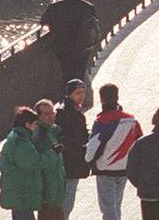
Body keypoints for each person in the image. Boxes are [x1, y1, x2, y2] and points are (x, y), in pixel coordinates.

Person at [86, 83, 142, 220]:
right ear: (117, 97)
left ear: (102, 99)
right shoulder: (131, 119)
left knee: (108, 208)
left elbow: (92, 148)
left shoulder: (101, 120)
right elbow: (140, 142)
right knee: (116, 205)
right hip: (125, 169)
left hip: (105, 169)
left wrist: (88, 161)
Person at [40, 0, 99, 97]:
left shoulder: (55, 7)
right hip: (82, 49)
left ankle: (66, 99)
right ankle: (78, 99)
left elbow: (43, 21)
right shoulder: (88, 8)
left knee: (66, 74)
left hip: (61, 48)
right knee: (79, 73)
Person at [0, 107, 44, 220]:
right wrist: (48, 156)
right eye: (34, 124)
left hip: (18, 191)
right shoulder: (21, 141)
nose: (35, 127)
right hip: (22, 192)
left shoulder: (16, 137)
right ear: (27, 124)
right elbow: (32, 163)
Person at [58, 79, 89, 218]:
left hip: (73, 162)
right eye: (78, 93)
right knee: (66, 202)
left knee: (67, 202)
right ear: (69, 94)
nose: (81, 95)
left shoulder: (76, 112)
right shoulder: (65, 113)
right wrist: (81, 147)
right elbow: (63, 138)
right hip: (68, 163)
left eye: (83, 92)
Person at [34, 98, 66, 219]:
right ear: (38, 116)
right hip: (47, 192)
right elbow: (36, 160)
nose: (51, 116)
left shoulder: (53, 131)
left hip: (56, 191)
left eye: (52, 113)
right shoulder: (37, 133)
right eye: (46, 114)